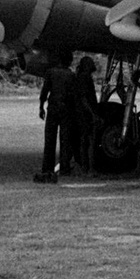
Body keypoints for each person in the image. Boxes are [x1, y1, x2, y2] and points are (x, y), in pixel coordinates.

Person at [36, 51, 75, 183]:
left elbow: (45, 91)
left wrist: (41, 106)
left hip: (52, 108)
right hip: (66, 110)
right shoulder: (71, 75)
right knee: (65, 140)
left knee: (49, 139)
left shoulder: (51, 72)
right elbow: (72, 95)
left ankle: (47, 167)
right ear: (69, 61)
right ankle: (64, 167)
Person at [72, 56, 101, 172]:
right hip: (86, 114)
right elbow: (84, 98)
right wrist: (93, 113)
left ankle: (85, 166)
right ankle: (89, 167)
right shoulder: (85, 78)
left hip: (83, 113)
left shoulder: (80, 77)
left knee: (85, 141)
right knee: (89, 141)